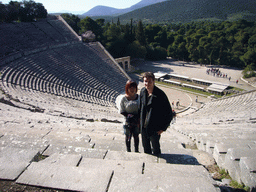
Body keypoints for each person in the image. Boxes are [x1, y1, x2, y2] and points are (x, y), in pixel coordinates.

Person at [139, 72, 173, 156]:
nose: (147, 83)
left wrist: (163, 128)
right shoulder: (142, 92)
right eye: (145, 81)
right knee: (146, 148)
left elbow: (169, 113)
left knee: (156, 149)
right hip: (143, 127)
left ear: (154, 81)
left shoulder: (160, 95)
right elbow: (140, 108)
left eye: (149, 81)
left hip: (155, 128)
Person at [119, 80, 140, 152]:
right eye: (130, 87)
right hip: (127, 121)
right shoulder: (123, 99)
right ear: (127, 88)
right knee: (128, 136)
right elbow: (121, 110)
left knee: (136, 136)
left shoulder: (139, 97)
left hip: (137, 120)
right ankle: (128, 150)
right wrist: (128, 116)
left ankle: (136, 150)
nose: (132, 89)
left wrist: (137, 117)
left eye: (134, 87)